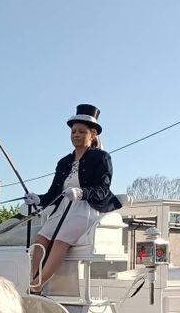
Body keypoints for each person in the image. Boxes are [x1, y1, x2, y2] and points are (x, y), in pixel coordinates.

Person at [25, 103, 123, 292]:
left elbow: (102, 189)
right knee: (41, 238)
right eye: (73, 132)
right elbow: (54, 193)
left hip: (87, 209)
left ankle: (37, 285)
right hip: (63, 209)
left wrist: (82, 193)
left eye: (81, 132)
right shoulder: (64, 162)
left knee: (61, 239)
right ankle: (32, 277)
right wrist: (38, 199)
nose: (76, 135)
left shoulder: (102, 158)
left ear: (92, 134)